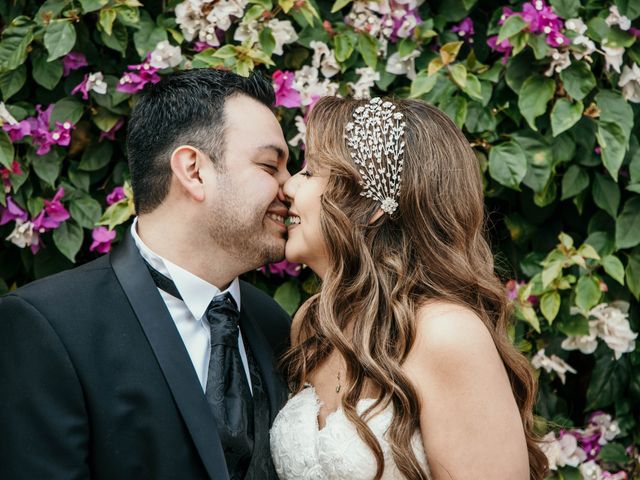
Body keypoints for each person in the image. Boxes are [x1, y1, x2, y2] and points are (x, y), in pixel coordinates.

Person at [0, 69, 291, 479]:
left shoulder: (275, 324)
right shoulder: (48, 326)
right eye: (269, 166)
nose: (290, 187)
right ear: (193, 170)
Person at [270, 96, 549, 479]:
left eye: (311, 170)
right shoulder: (314, 325)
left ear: (370, 203)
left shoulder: (446, 333)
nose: (289, 186)